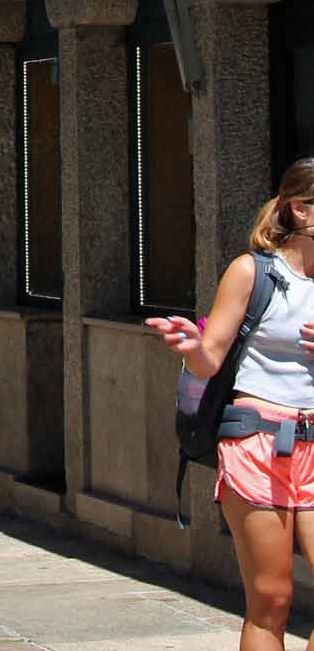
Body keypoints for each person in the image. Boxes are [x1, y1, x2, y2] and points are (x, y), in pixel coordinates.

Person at [149, 156, 314, 650]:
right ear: (301, 211)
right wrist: (190, 347)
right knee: (271, 601)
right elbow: (211, 359)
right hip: (258, 443)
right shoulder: (251, 272)